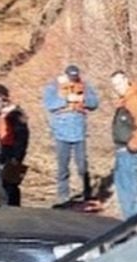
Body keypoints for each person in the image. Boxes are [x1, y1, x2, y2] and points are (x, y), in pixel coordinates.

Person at [42, 63, 99, 203]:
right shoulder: (53, 87)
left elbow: (95, 103)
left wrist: (83, 99)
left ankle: (87, 193)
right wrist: (66, 99)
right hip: (61, 132)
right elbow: (49, 104)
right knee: (63, 166)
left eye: (75, 77)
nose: (73, 79)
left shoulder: (85, 86)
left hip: (79, 132)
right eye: (71, 77)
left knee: (82, 166)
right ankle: (63, 195)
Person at [110, 69, 137, 219]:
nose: (117, 87)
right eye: (114, 85)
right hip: (122, 150)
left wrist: (134, 144)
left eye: (119, 83)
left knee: (131, 188)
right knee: (123, 187)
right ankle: (129, 221)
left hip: (130, 151)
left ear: (126, 80)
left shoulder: (136, 99)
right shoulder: (125, 100)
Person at [0, 83, 30, 206]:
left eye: (0, 99)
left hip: (12, 152)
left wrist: (17, 157)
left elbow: (22, 138)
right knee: (2, 185)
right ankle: (5, 207)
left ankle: (12, 209)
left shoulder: (16, 114)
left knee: (10, 185)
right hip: (2, 151)